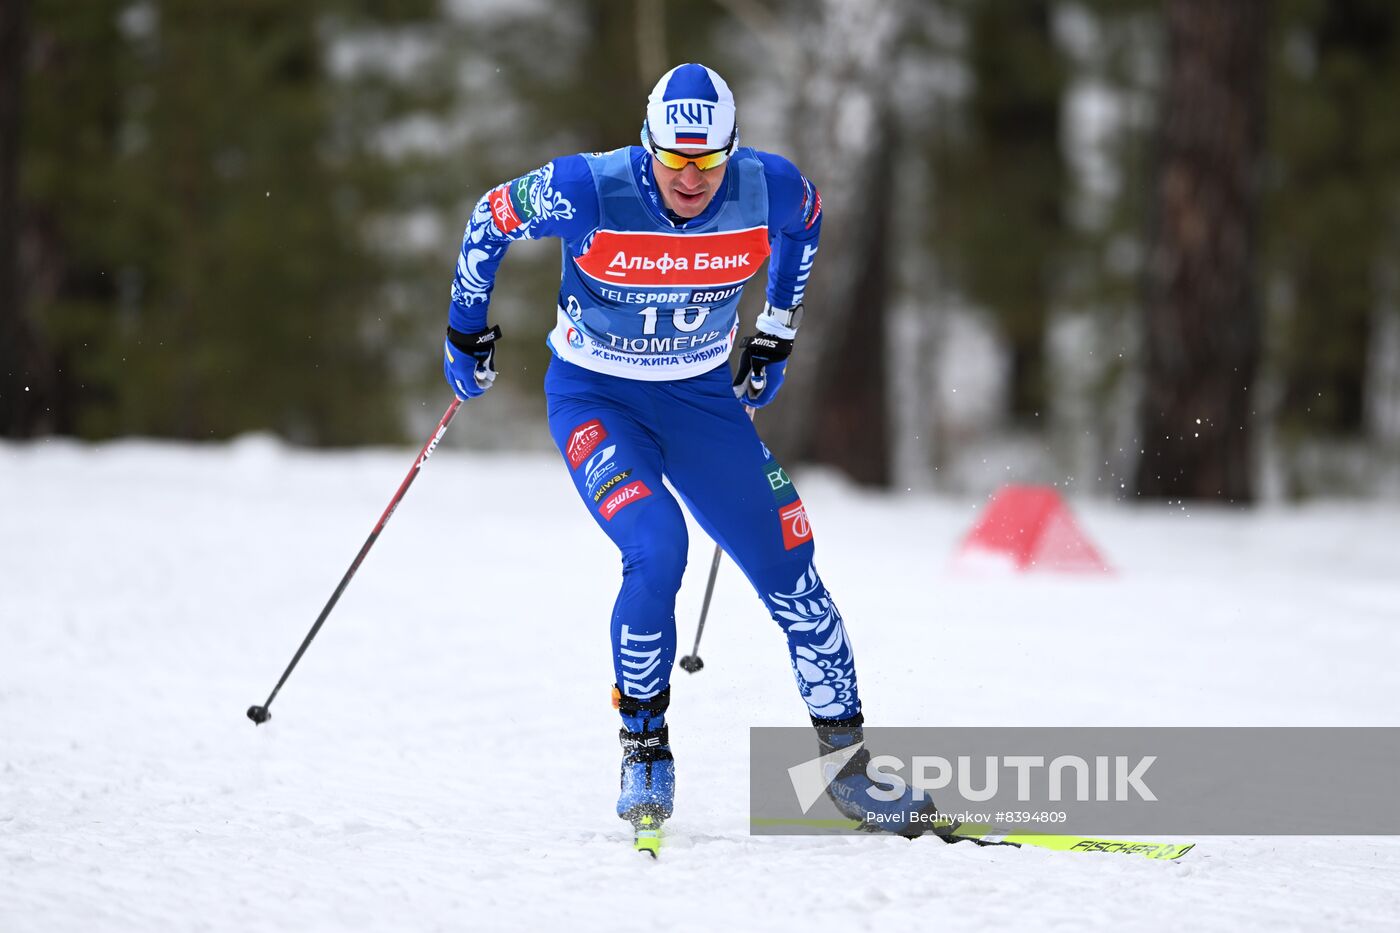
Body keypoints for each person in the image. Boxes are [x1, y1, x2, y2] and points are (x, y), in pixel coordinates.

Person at [443, 63, 935, 843]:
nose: (691, 179)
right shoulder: (588, 187)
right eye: (674, 160)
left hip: (702, 402)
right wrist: (464, 329)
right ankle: (645, 745)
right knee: (658, 547)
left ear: (731, 150)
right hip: (598, 401)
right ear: (649, 145)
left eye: (709, 162)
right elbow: (489, 218)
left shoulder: (767, 185)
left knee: (791, 568)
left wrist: (776, 329)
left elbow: (805, 223)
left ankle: (846, 769)